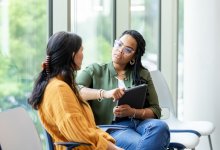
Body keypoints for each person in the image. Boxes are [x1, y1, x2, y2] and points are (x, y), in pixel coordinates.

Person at [28, 31, 123, 150]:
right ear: (72, 54)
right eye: (81, 50)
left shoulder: (61, 84)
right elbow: (79, 134)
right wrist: (113, 148)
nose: (83, 54)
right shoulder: (59, 89)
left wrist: (109, 143)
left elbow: (86, 129)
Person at [76, 30, 170, 150]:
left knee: (161, 127)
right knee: (148, 144)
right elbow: (75, 90)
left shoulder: (142, 74)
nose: (120, 50)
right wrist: (104, 93)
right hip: (113, 128)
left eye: (127, 50)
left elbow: (155, 110)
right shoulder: (95, 70)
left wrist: (132, 112)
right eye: (119, 44)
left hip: (141, 123)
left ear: (134, 56)